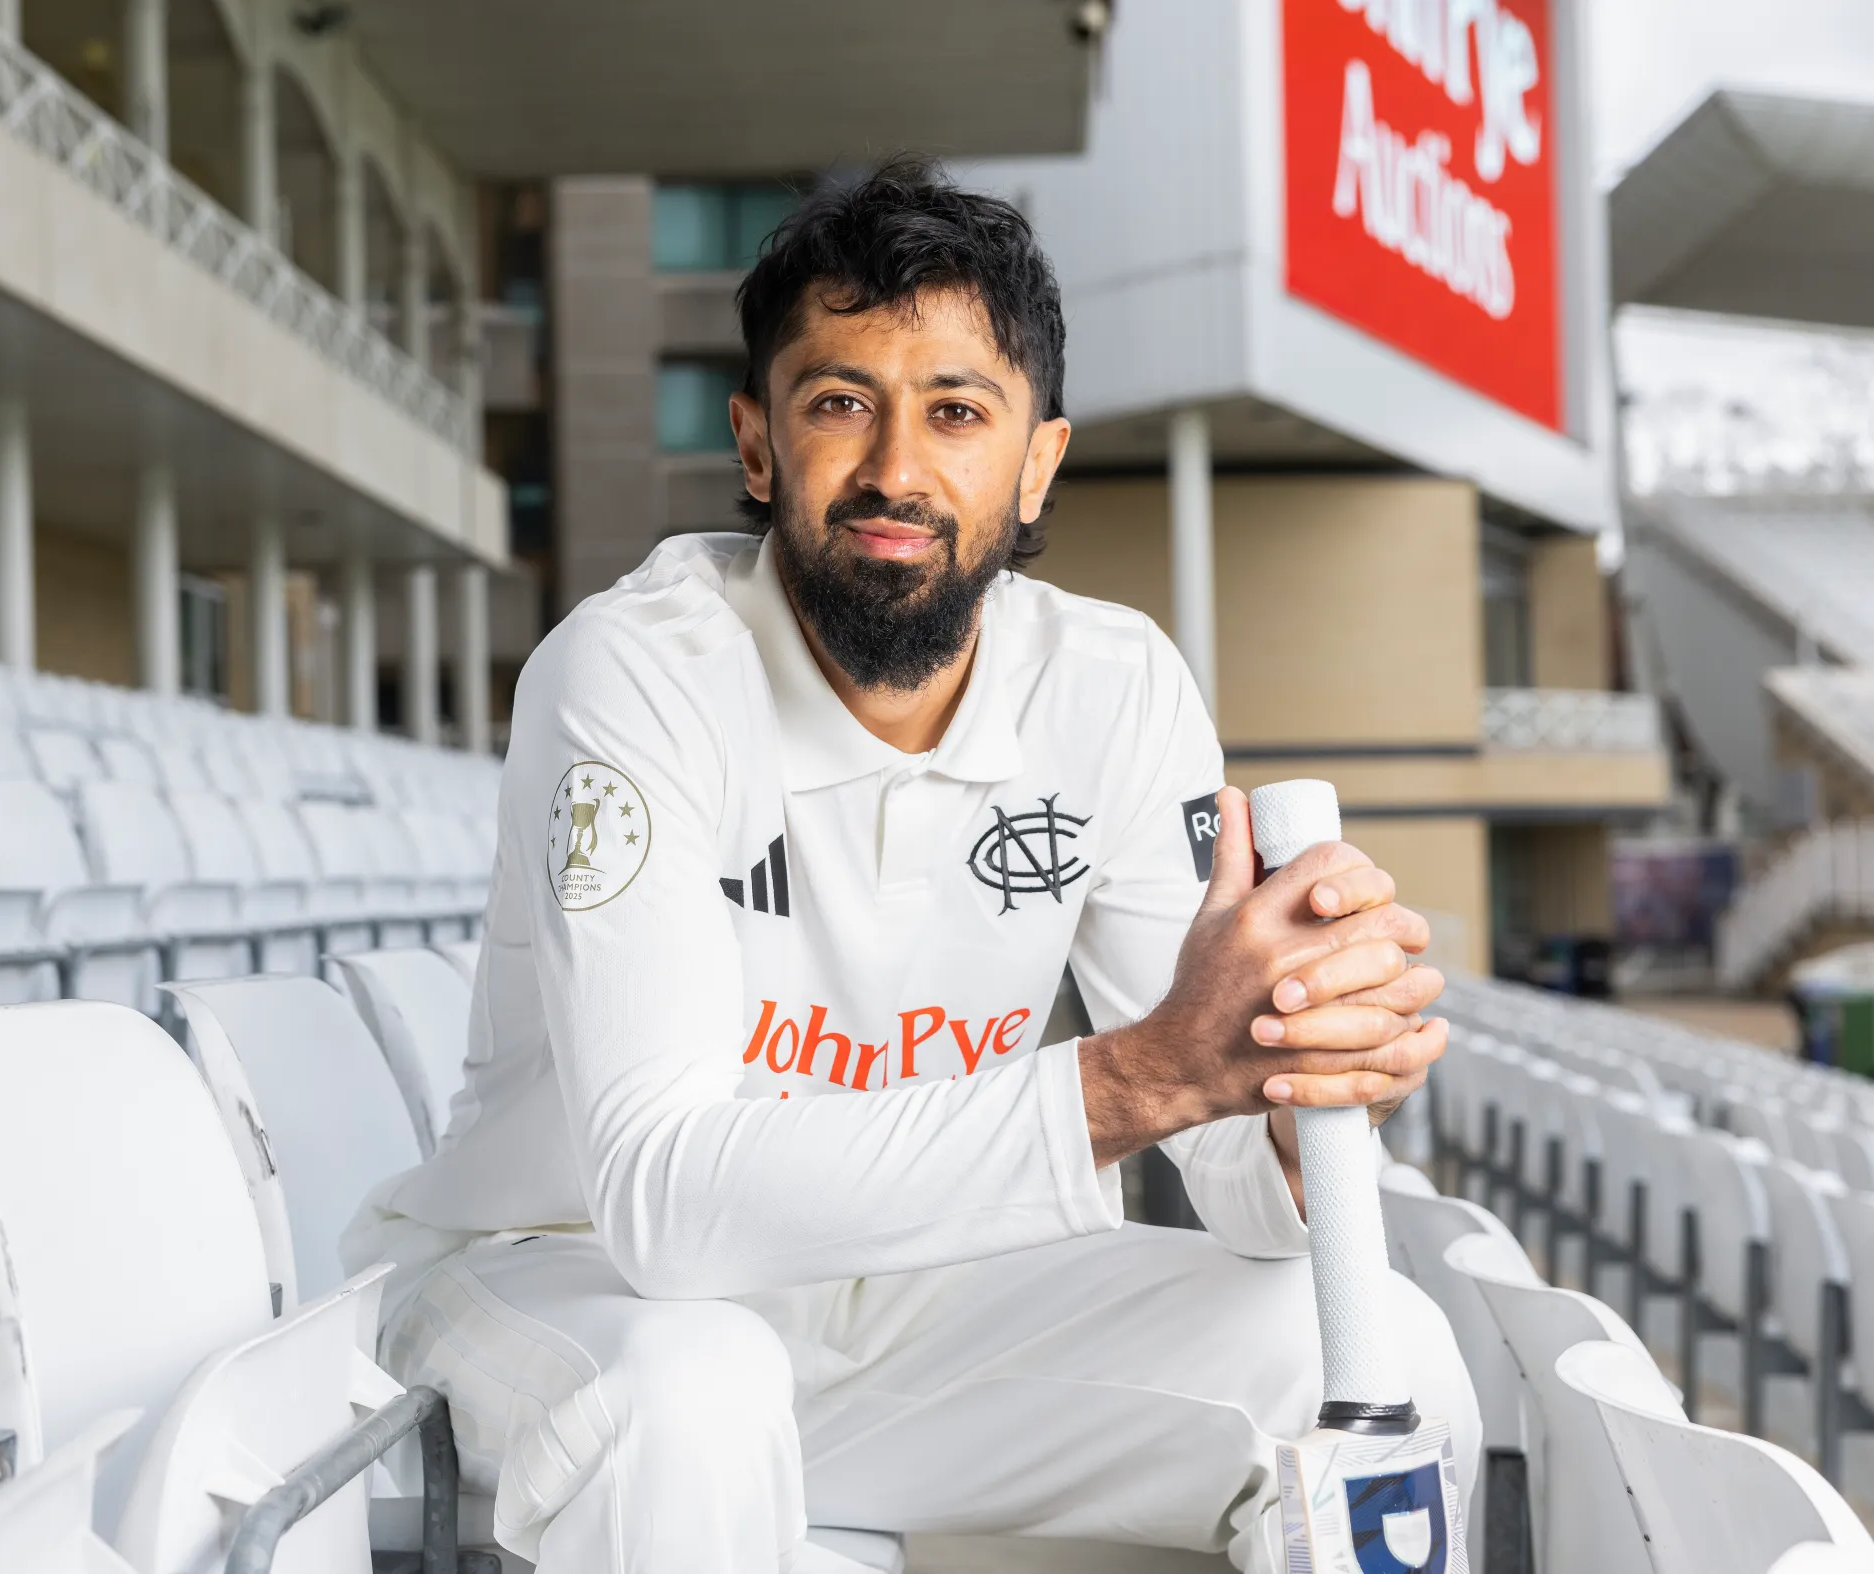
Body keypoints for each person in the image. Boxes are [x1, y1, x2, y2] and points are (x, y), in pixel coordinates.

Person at [344, 158, 1477, 1573]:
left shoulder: (1115, 686)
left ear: (1038, 461)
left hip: (922, 1320)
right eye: (840, 404)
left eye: (956, 411)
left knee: (1380, 1349)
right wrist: (1145, 1072)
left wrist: (1297, 1093)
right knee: (695, 1394)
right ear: (757, 447)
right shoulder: (630, 671)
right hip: (565, 1291)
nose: (895, 468)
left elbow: (1238, 1190)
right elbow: (671, 1207)